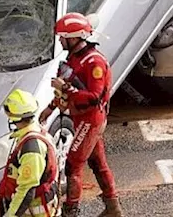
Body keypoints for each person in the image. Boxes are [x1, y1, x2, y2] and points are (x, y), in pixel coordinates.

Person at [42, 13, 121, 217]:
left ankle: (71, 211)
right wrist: (52, 107)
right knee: (97, 163)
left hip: (90, 119)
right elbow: (66, 87)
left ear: (75, 37)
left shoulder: (94, 63)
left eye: (63, 37)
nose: (60, 40)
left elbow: (94, 97)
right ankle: (113, 207)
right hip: (81, 117)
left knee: (72, 166)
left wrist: (67, 89)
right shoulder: (75, 57)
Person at [0, 89, 60, 217]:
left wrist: (11, 215)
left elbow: (27, 190)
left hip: (35, 210)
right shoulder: (35, 132)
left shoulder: (31, 148)